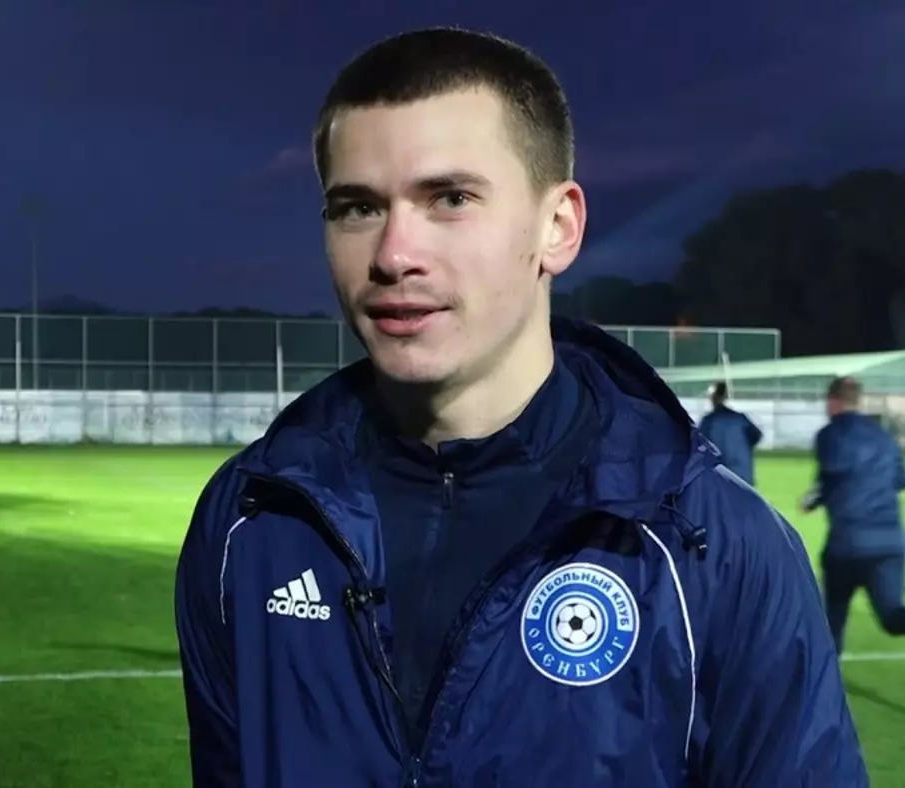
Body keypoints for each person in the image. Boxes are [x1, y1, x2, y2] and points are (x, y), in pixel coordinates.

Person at [175, 27, 866, 787]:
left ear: (557, 227)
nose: (394, 254)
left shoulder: (719, 546)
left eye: (450, 199)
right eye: (357, 208)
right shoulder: (249, 522)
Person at [798, 376, 905, 677]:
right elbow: (902, 480)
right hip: (891, 542)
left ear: (832, 402)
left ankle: (822, 683)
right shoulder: (884, 436)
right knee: (891, 614)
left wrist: (812, 500)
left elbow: (830, 478)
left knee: (830, 620)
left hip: (848, 542)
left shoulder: (829, 435)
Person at [696, 380, 763, 486]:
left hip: (719, 476)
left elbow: (698, 445)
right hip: (742, 474)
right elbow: (756, 436)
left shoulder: (709, 421)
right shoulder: (740, 419)